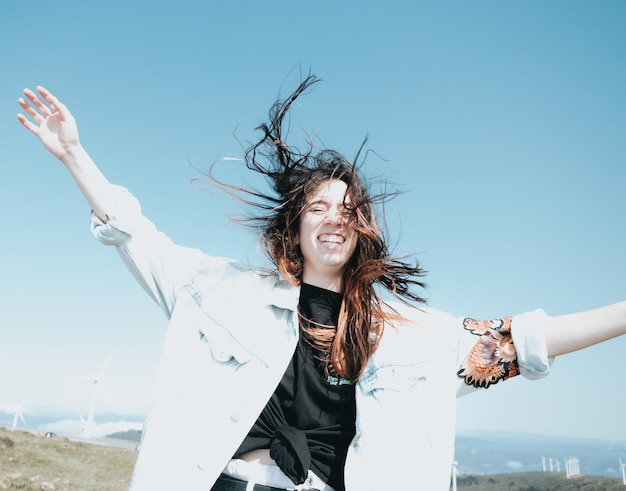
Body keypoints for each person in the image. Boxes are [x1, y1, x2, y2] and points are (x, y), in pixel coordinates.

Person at [17, 76, 626, 491]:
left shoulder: (403, 338)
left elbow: (523, 340)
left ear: (362, 230)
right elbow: (134, 234)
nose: (335, 217)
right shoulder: (219, 290)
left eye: (348, 209)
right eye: (318, 207)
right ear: (295, 228)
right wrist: (74, 154)